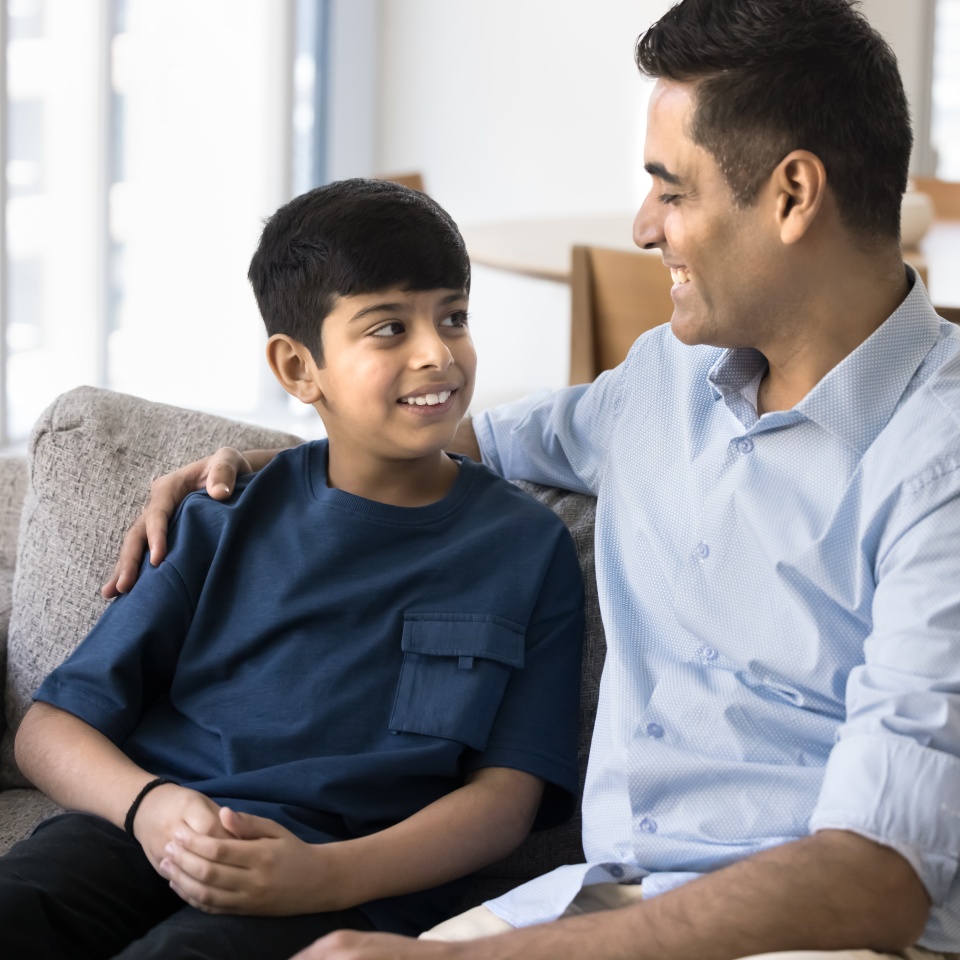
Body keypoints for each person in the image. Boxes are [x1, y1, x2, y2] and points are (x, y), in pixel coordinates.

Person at [105, 1, 960, 959]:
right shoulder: (663, 381)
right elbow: (460, 438)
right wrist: (260, 470)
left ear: (794, 195)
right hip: (604, 895)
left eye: (671, 192)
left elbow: (880, 878)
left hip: (825, 932)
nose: (644, 226)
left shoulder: (942, 463)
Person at [3, 178, 585, 960]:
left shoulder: (527, 546)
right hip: (147, 833)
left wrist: (324, 876)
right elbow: (49, 728)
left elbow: (505, 799)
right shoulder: (219, 518)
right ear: (297, 366)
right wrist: (149, 808)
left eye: (454, 315)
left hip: (350, 883)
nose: (437, 352)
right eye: (388, 328)